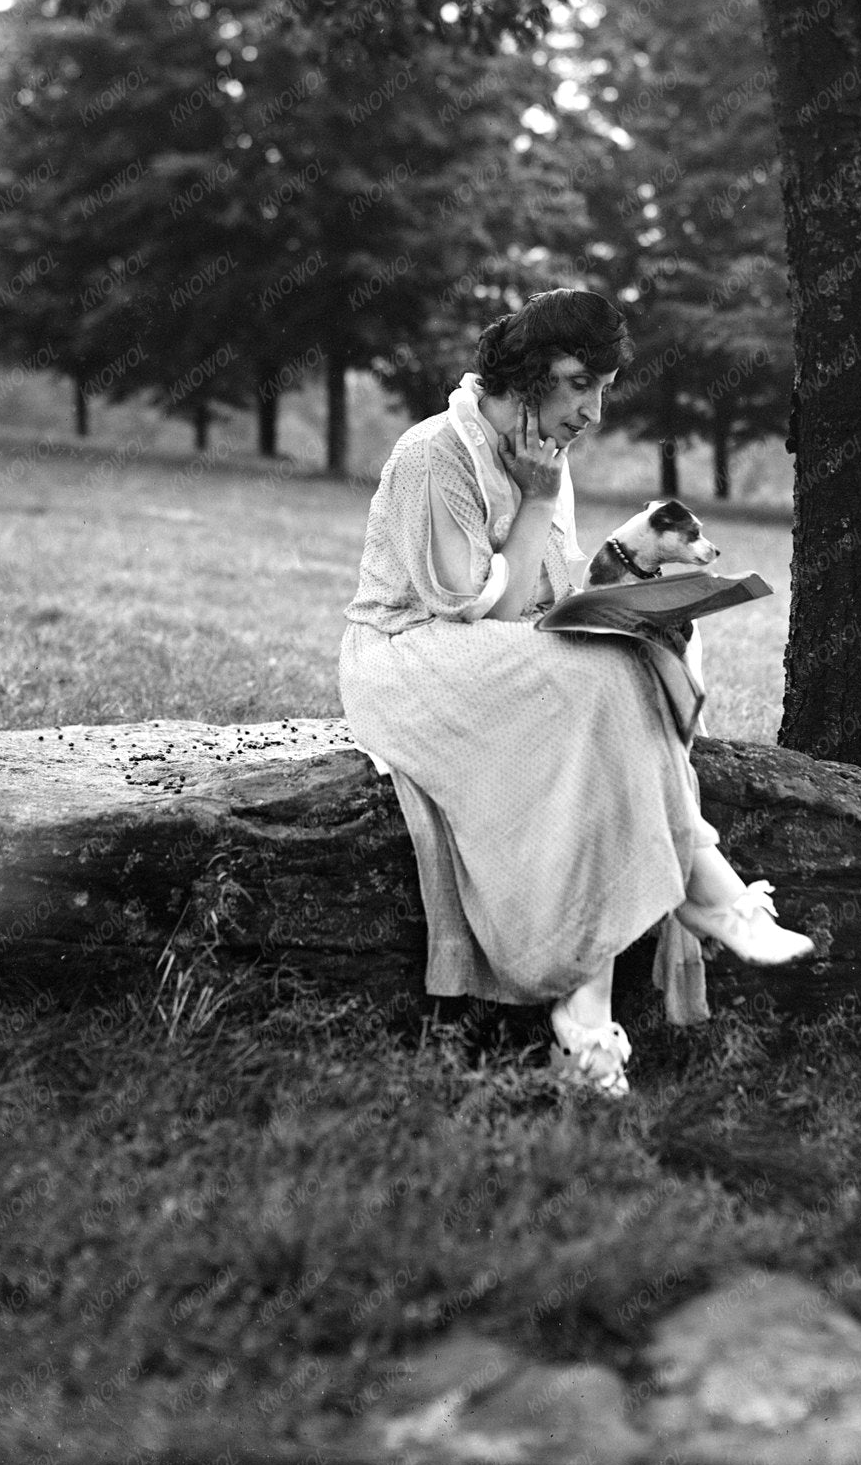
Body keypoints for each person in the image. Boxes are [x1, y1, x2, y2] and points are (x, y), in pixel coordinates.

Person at [339, 289, 813, 1097]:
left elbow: (547, 595)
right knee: (601, 672)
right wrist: (532, 499)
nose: (592, 410)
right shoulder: (434, 453)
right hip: (409, 659)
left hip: (491, 657)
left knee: (629, 660)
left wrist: (631, 578)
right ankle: (706, 887)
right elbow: (478, 606)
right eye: (578, 385)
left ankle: (587, 1022)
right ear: (524, 378)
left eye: (604, 387)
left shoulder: (542, 451)